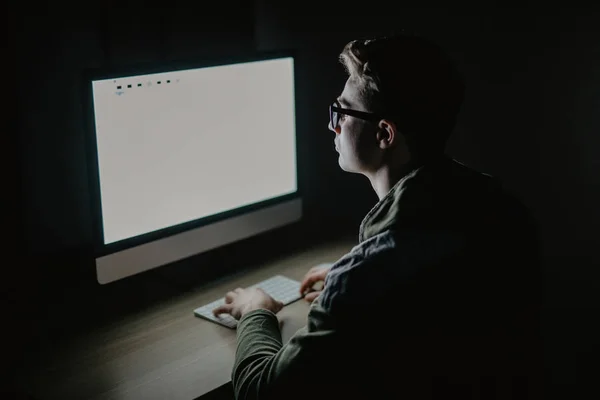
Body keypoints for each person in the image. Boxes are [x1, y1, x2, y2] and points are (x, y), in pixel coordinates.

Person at [213, 33, 542, 399]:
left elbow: (261, 392)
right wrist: (354, 269)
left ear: (385, 133)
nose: (331, 125)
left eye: (341, 111)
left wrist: (257, 311)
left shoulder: (366, 278)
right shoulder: (499, 210)